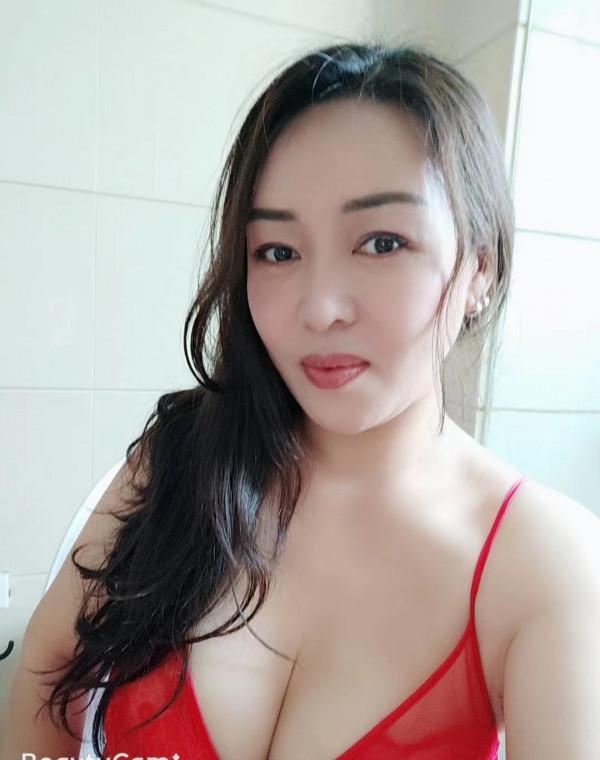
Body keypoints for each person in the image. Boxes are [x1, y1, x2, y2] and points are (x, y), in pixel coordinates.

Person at [3, 41, 599, 760]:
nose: (320, 309)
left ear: (479, 267)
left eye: (382, 242)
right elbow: (44, 674)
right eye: (278, 251)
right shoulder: (181, 463)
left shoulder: (545, 564)